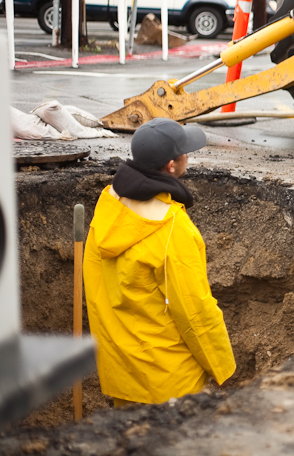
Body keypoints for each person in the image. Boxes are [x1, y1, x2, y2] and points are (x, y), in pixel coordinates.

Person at [83, 118, 235, 405]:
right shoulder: (171, 228)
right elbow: (194, 311)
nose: (188, 156)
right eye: (185, 152)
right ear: (171, 166)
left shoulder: (109, 205)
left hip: (122, 373)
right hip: (170, 382)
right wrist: (222, 366)